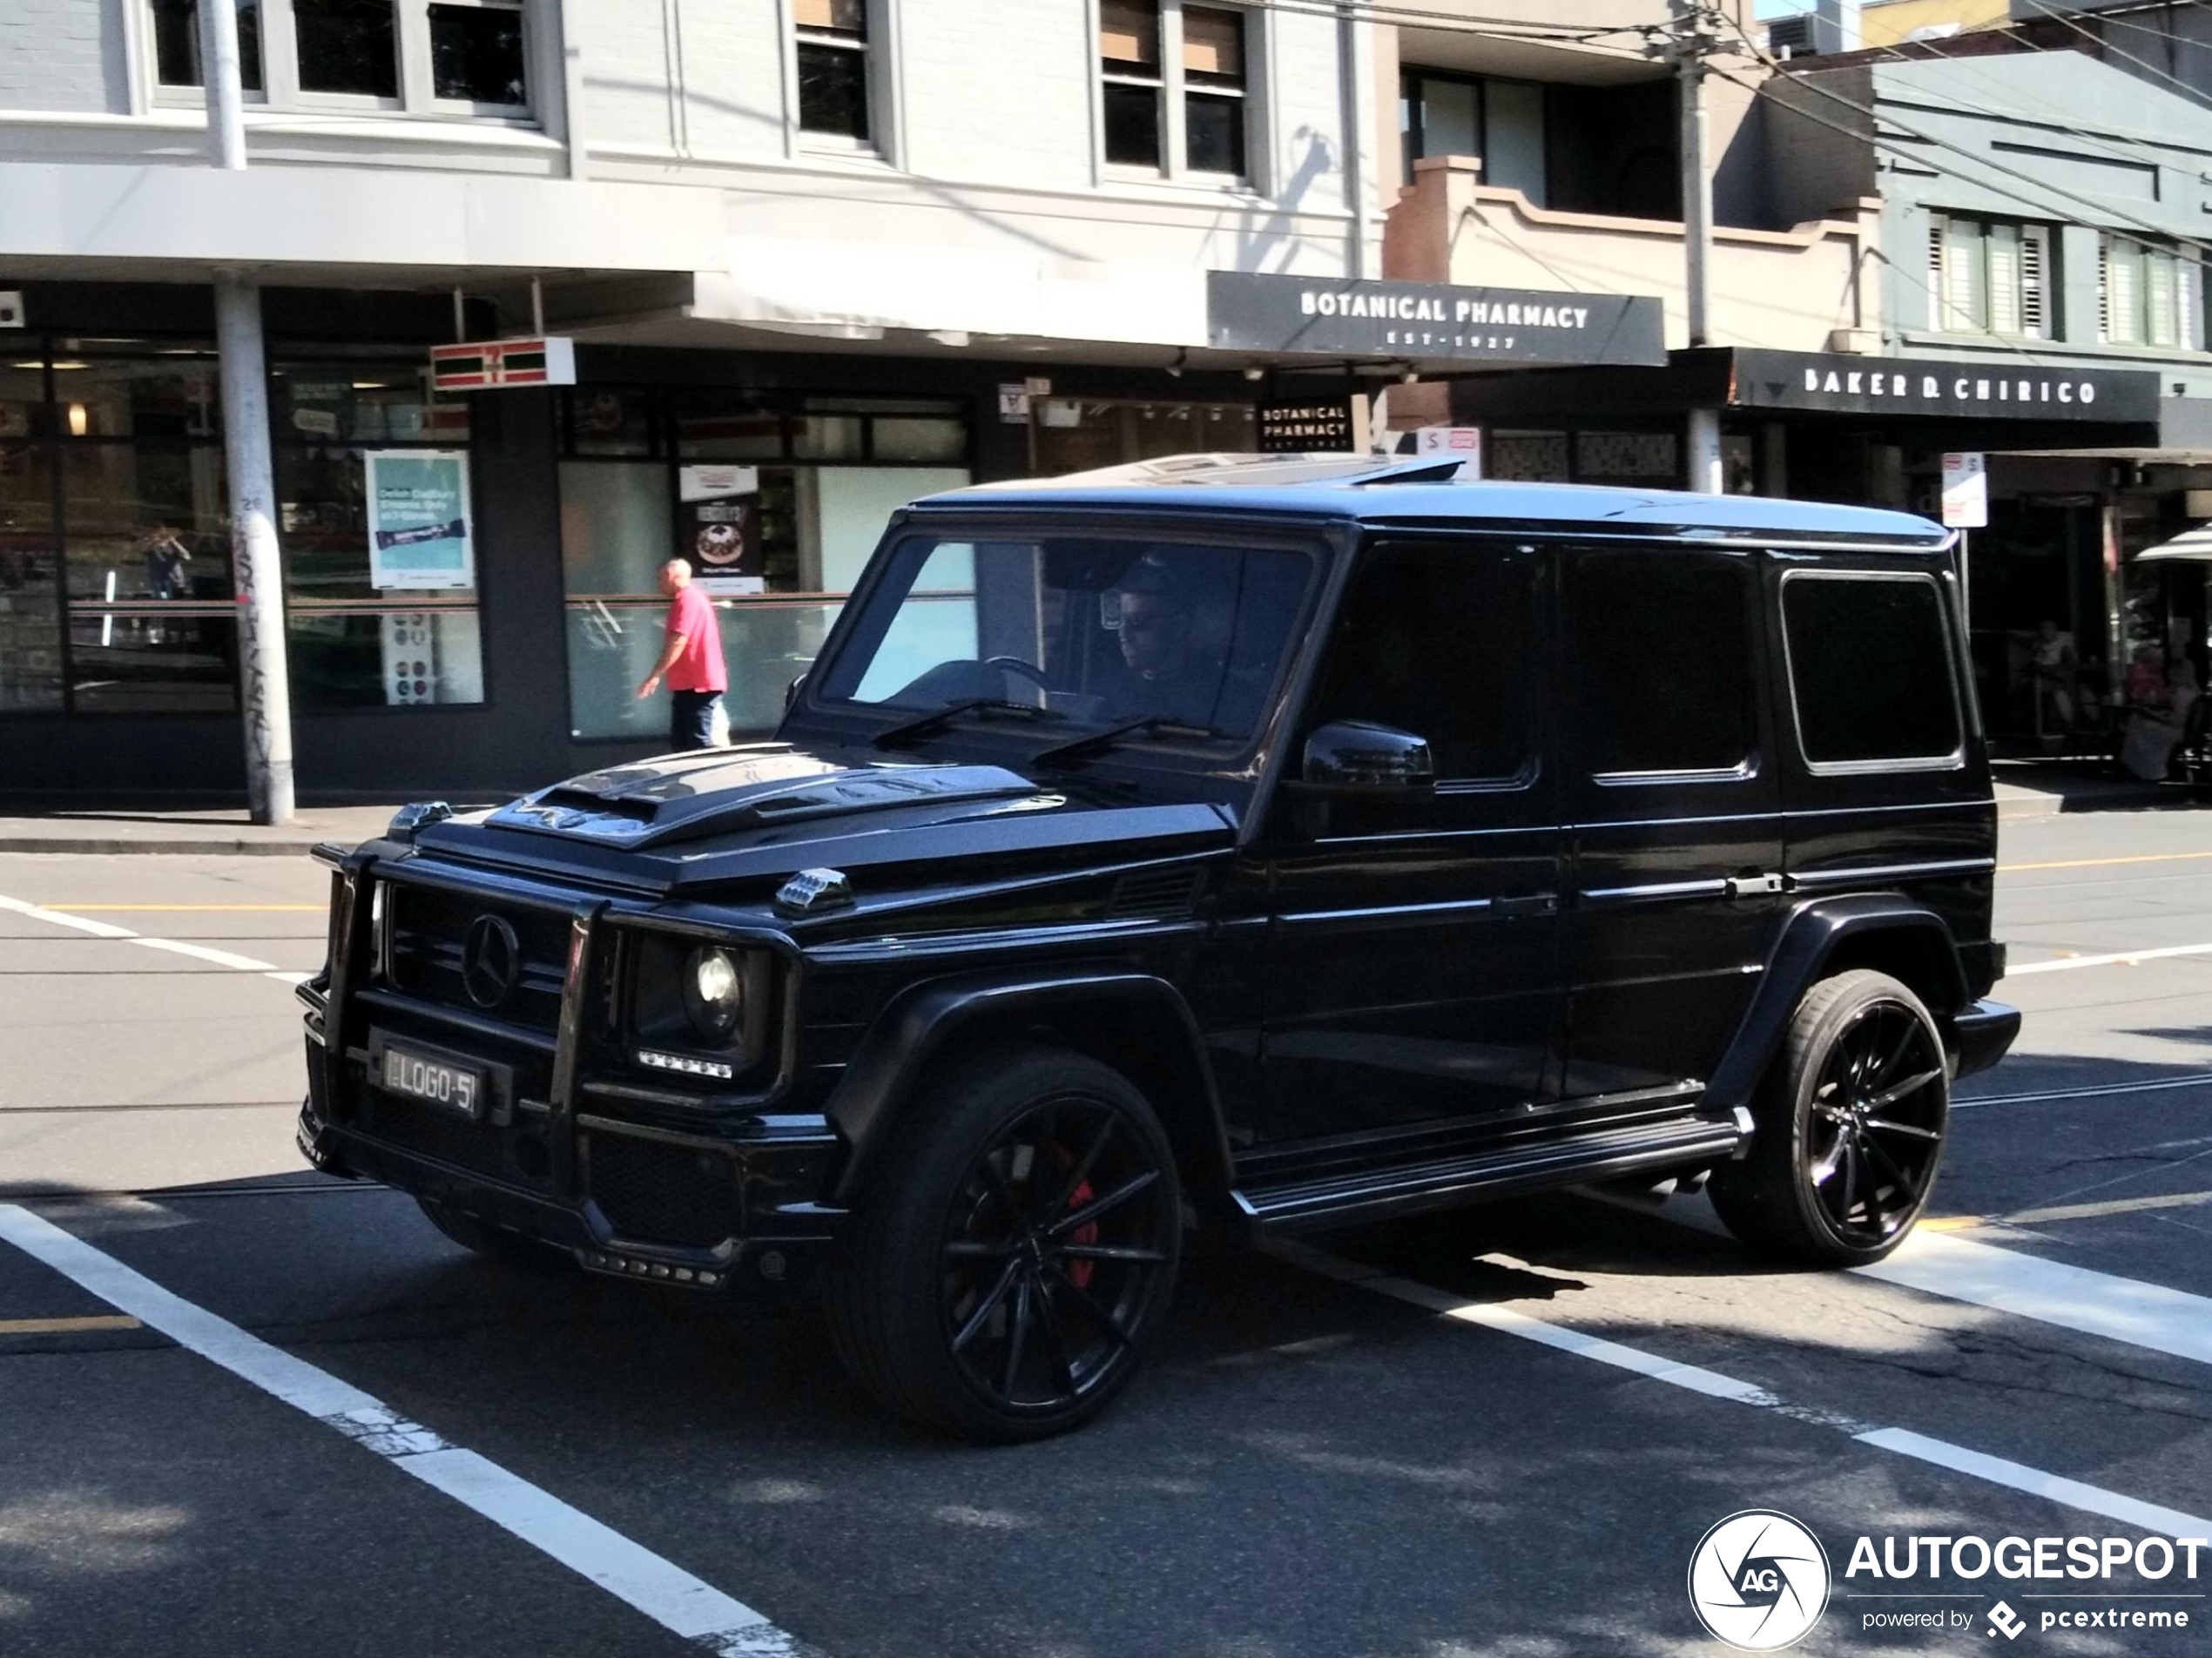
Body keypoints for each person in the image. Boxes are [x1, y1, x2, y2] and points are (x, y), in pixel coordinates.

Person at [635, 557, 727, 751]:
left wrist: (654, 676)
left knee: (697, 742)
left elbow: (678, 640)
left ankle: (706, 779)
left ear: (670, 576)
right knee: (682, 743)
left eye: (659, 579)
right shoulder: (691, 598)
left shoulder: (687, 599)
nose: (658, 584)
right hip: (691, 683)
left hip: (698, 685)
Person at [2121, 656, 2199, 782]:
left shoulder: (2181, 694)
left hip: (2177, 732)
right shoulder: (2192, 692)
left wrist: (2156, 716)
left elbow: (2176, 720)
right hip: (2183, 730)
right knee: (2139, 722)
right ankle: (2142, 766)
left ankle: (2147, 768)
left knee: (2138, 724)